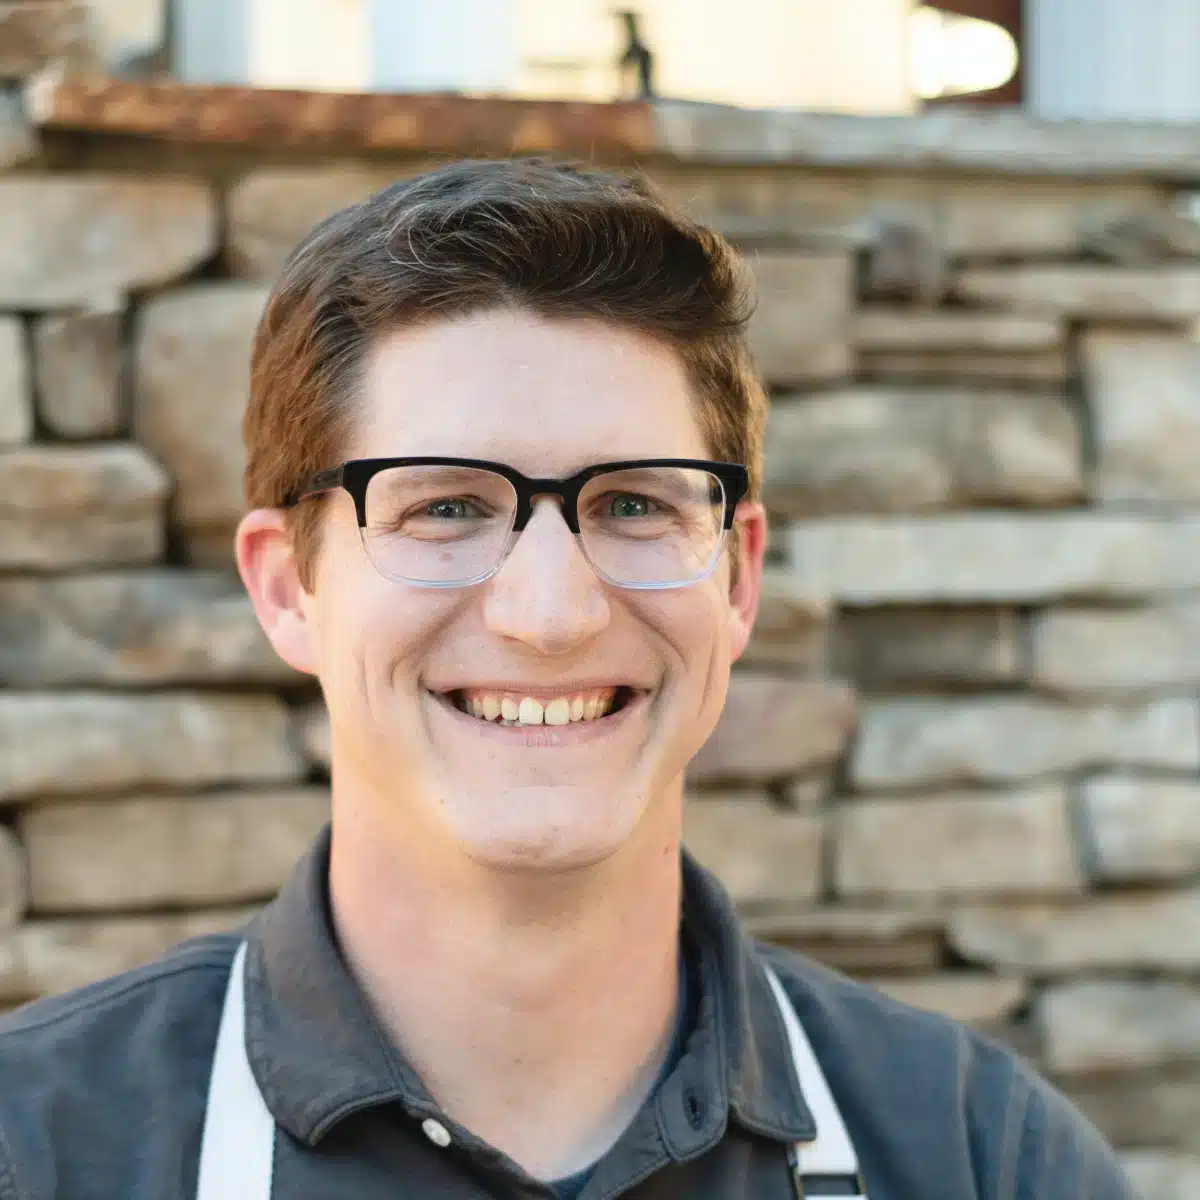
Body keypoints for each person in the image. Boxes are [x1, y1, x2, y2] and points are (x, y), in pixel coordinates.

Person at [0, 159, 1133, 1199]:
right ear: (288, 588)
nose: (550, 615)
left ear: (737, 578)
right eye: (445, 507)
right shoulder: (42, 1147)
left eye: (635, 504)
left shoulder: (980, 1155)